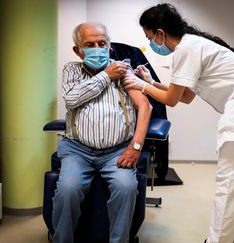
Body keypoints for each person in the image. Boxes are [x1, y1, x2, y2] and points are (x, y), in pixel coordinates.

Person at [123, 4, 234, 243]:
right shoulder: (193, 44)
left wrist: (140, 85)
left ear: (160, 33)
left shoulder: (185, 48)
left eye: (150, 38)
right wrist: (149, 81)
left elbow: (172, 100)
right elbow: (186, 97)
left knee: (229, 183)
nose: (152, 44)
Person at [52, 22, 152, 243]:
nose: (97, 48)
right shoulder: (72, 70)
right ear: (78, 50)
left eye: (102, 43)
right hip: (77, 149)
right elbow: (71, 99)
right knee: (68, 190)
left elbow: (145, 107)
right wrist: (106, 75)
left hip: (116, 151)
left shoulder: (124, 69)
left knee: (126, 188)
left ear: (109, 46)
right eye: (90, 44)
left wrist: (136, 146)